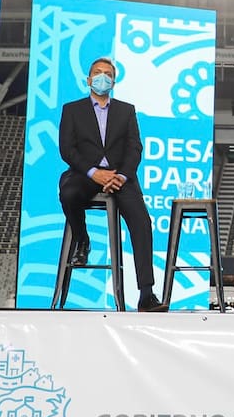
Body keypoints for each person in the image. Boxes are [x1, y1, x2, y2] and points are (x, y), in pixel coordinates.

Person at [58, 57, 167, 313]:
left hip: (120, 177)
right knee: (69, 193)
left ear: (114, 81)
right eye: (97, 73)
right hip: (85, 175)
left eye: (108, 74)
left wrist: (122, 176)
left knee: (142, 222)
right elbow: (67, 149)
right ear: (88, 80)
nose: (102, 78)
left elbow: (134, 147)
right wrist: (94, 173)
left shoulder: (126, 110)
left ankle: (146, 294)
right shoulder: (72, 109)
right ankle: (82, 240)